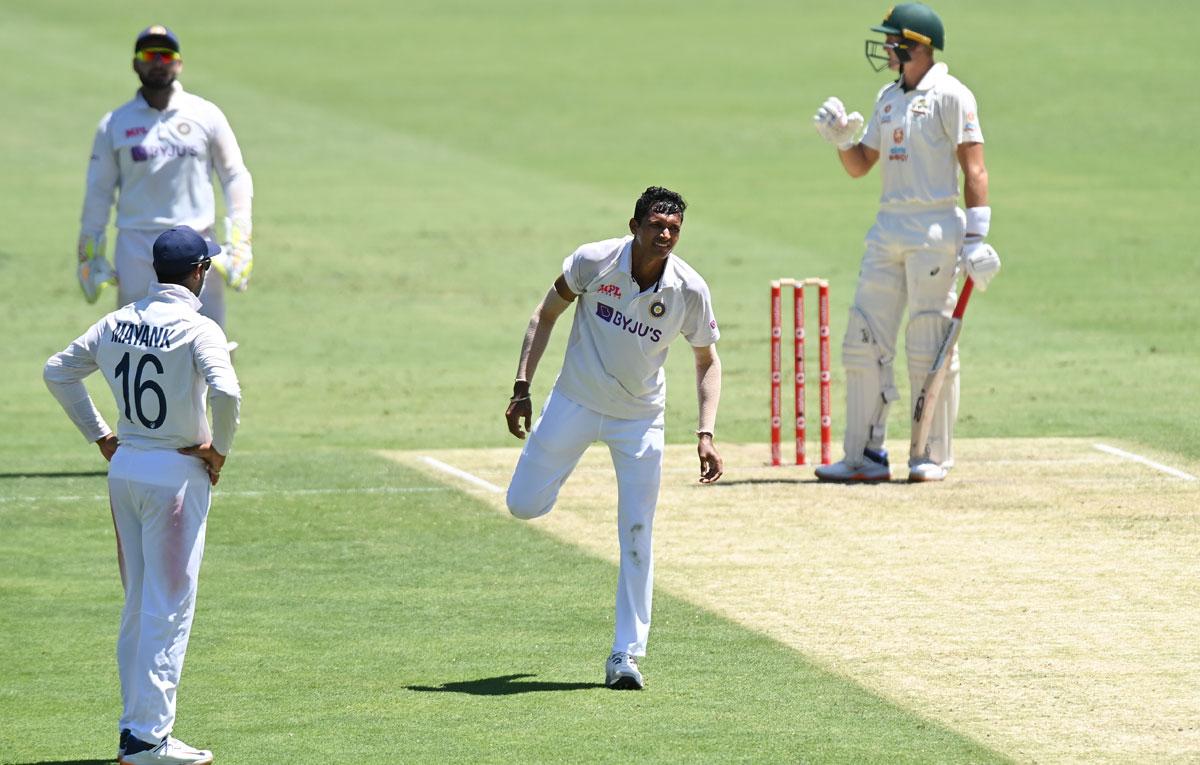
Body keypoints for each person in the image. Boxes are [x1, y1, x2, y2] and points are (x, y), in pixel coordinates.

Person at [503, 186, 724, 690]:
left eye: (673, 228)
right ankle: (558, 472)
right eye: (656, 226)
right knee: (522, 505)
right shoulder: (593, 261)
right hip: (574, 402)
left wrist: (706, 431)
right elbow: (546, 314)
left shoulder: (689, 289)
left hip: (639, 420)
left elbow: (708, 360)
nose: (665, 235)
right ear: (635, 226)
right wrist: (522, 387)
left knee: (638, 534)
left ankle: (626, 655)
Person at [44, 226, 241, 765]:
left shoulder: (117, 320)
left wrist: (101, 435)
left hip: (126, 468)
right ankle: (148, 738)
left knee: (139, 605)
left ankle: (137, 730)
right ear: (197, 273)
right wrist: (218, 449)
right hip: (175, 475)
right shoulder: (199, 328)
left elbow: (57, 370)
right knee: (168, 608)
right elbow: (227, 390)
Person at [810, 2, 1001, 483]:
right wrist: (839, 141)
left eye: (892, 40)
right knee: (863, 342)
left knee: (927, 343)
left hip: (935, 229)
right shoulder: (887, 97)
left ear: (916, 44)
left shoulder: (952, 95)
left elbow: (974, 167)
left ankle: (928, 454)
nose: (886, 48)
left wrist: (977, 238)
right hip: (888, 228)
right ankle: (864, 457)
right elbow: (861, 165)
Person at [77, 24, 254, 333]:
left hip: (197, 241)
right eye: (149, 55)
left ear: (179, 63)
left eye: (166, 55)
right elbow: (99, 190)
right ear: (135, 63)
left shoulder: (205, 114)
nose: (158, 62)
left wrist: (240, 239)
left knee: (208, 338)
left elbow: (235, 175)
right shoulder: (115, 123)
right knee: (134, 339)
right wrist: (89, 252)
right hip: (136, 247)